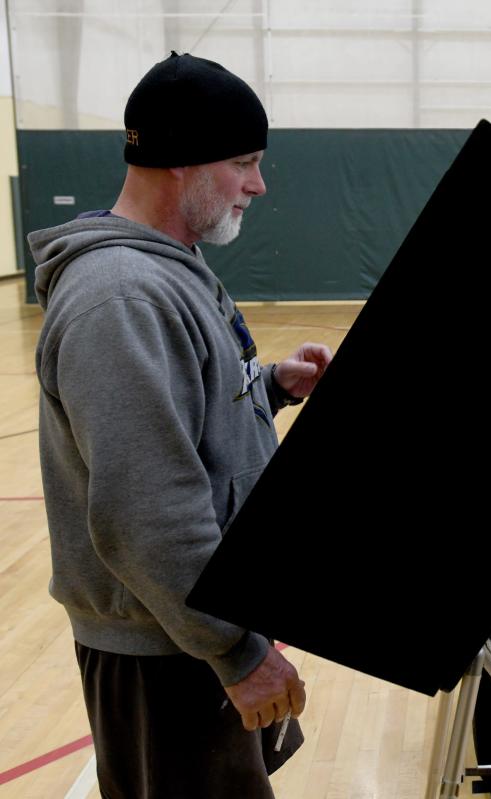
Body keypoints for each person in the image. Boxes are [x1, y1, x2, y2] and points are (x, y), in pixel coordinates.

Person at [31, 52, 331, 798]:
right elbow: (145, 510)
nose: (258, 184)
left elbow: (176, 415)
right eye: (244, 163)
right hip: (166, 647)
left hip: (188, 627)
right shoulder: (121, 297)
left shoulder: (167, 265)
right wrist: (237, 653)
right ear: (180, 164)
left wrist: (268, 386)